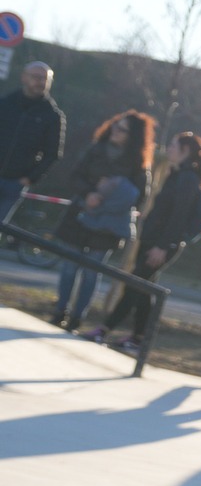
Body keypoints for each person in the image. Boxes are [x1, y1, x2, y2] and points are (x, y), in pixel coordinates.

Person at [95, 131, 201, 352]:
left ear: (185, 151)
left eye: (173, 145)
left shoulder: (187, 179)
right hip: (152, 240)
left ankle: (104, 329)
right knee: (143, 290)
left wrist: (162, 246)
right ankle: (138, 338)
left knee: (134, 286)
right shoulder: (177, 174)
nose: (169, 149)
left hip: (161, 245)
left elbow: (178, 216)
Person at [50, 110, 154, 329]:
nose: (116, 131)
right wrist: (90, 193)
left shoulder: (138, 163)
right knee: (69, 266)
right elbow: (74, 176)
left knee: (91, 271)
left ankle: (77, 318)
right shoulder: (95, 149)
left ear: (133, 136)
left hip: (108, 224)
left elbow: (140, 196)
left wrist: (112, 193)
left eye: (122, 129)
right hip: (80, 214)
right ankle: (60, 310)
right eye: (116, 125)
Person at [0, 60, 65, 224]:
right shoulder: (6, 104)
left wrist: (29, 178)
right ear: (24, 77)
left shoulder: (52, 116)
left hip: (14, 181)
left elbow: (52, 153)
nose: (41, 82)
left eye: (45, 79)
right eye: (36, 77)